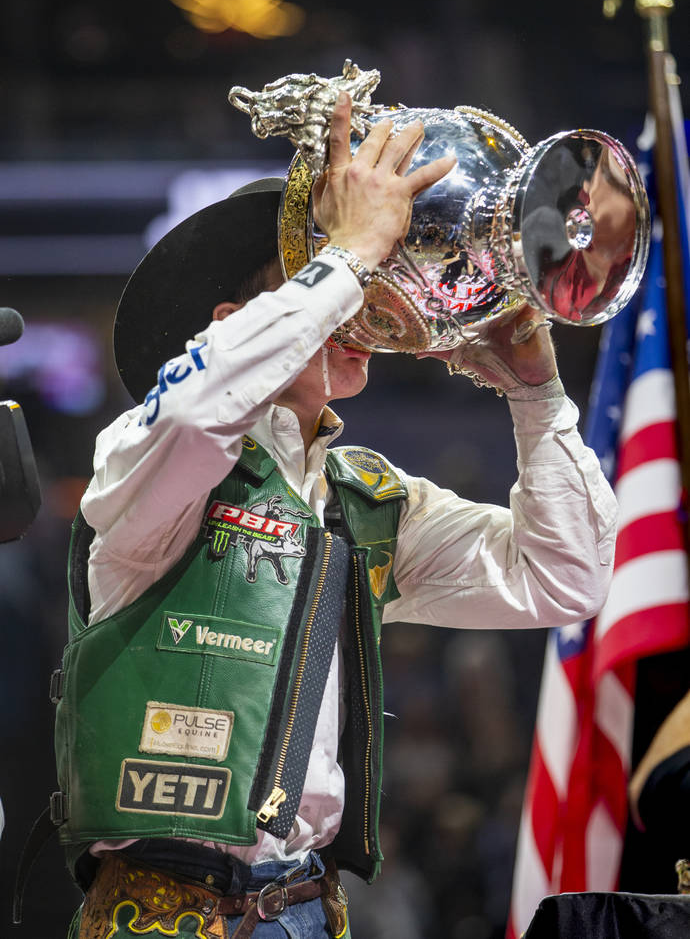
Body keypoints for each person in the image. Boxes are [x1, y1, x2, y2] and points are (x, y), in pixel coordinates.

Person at [52, 91, 617, 939]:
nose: (355, 303)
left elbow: (565, 579)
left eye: (361, 281)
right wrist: (350, 250)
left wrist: (537, 396)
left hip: (312, 910)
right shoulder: (147, 459)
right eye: (319, 281)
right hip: (158, 913)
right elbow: (202, 408)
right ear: (234, 326)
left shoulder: (365, 500)